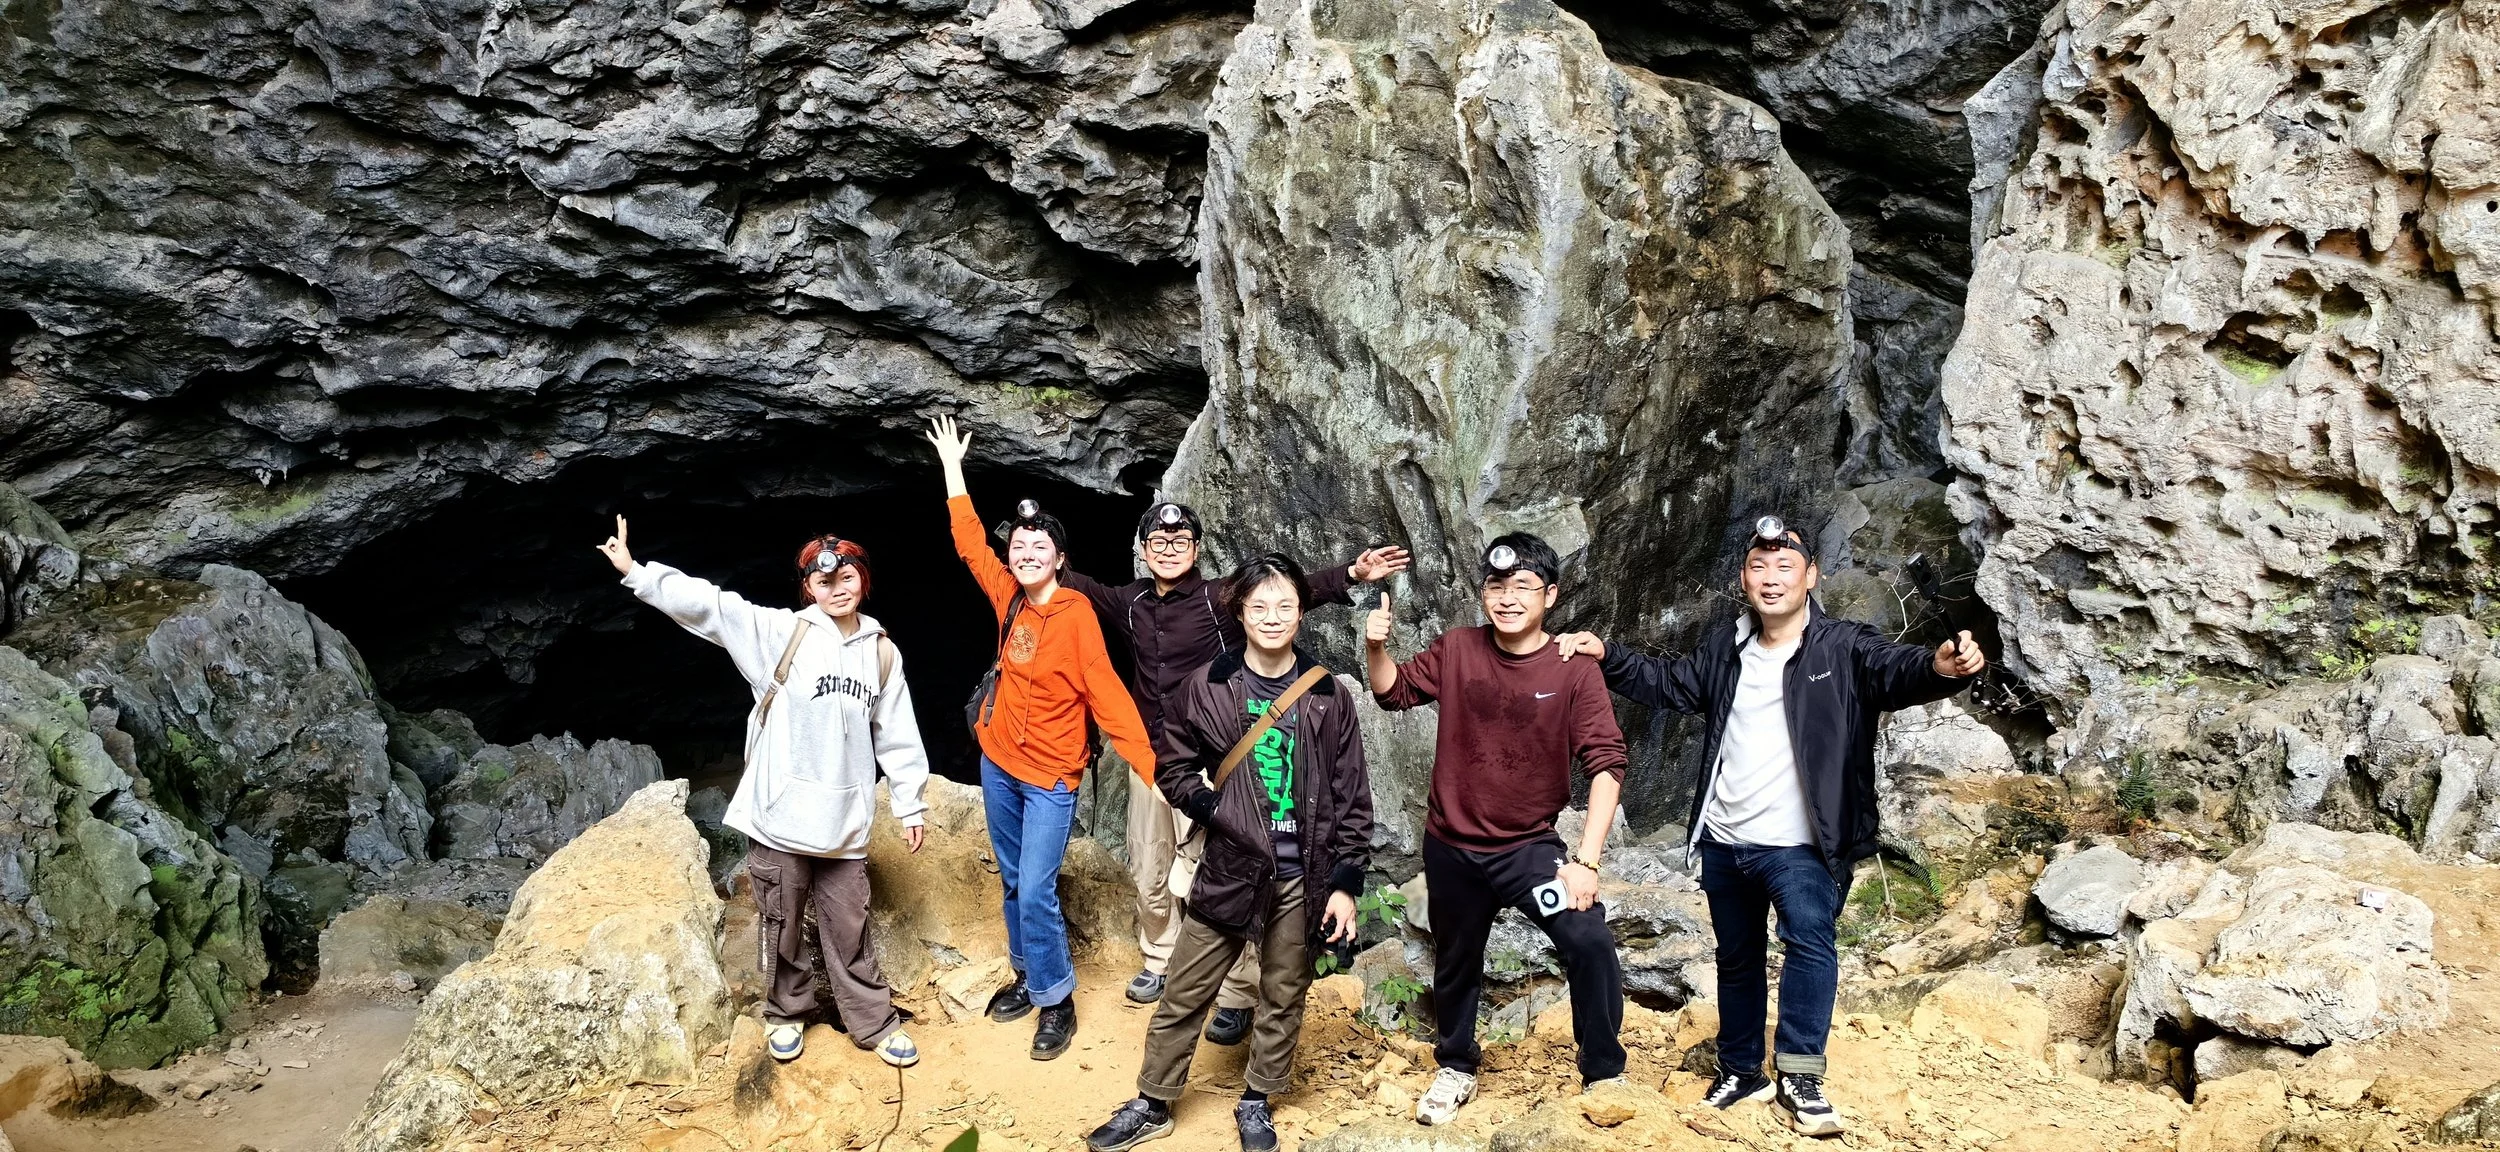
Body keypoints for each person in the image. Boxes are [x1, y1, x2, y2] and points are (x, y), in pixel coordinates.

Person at [1555, 517, 1986, 1138]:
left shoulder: (1843, 647)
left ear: (1812, 577)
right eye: (1759, 566)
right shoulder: (1726, 649)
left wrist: (1942, 667)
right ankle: (1740, 1071)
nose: (1771, 578)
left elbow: (1898, 670)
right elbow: (1671, 683)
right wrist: (1608, 655)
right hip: (1727, 837)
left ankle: (1801, 1076)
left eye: (1786, 566)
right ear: (1743, 579)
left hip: (1804, 845)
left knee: (1810, 943)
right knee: (1737, 958)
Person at [1060, 500, 1407, 1044]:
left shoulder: (1219, 598)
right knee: (1150, 866)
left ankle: (1237, 993)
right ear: (1144, 550)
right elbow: (1073, 583)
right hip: (1152, 759)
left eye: (1180, 541)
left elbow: (1288, 595)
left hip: (1213, 767)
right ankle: (1160, 957)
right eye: (1158, 542)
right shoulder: (1129, 602)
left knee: (1232, 874)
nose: (1169, 550)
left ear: (1196, 549)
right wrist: (1030, 545)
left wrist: (1352, 574)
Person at [596, 515, 929, 1068]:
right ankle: (786, 1012)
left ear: (864, 580)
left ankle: (873, 1022)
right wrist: (637, 572)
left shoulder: (881, 654)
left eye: (847, 578)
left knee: (849, 925)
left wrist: (909, 801)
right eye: (824, 581)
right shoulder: (781, 633)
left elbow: (897, 732)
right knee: (781, 922)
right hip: (780, 816)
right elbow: (711, 606)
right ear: (809, 588)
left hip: (844, 824)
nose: (837, 589)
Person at [1084, 554, 1376, 1152]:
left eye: (1285, 605)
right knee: (1185, 990)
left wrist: (1345, 883)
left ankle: (1257, 1099)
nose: (1272, 617)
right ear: (1239, 611)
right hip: (1232, 866)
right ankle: (1153, 1101)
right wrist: (1216, 811)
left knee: (1283, 991)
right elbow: (1173, 765)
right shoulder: (1208, 684)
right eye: (1259, 605)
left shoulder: (1327, 694)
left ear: (1301, 612)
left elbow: (1352, 795)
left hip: (1303, 874)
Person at [1366, 533, 1630, 1126]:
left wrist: (1586, 861)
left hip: (1528, 850)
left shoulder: (1573, 667)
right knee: (1457, 958)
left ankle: (1604, 1073)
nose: (1507, 598)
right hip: (1452, 847)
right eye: (1496, 586)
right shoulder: (1458, 648)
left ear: (1550, 595)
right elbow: (1393, 692)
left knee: (1587, 938)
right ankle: (1456, 1065)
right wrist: (1376, 648)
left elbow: (1607, 763)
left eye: (1523, 587)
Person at [924, 413, 1160, 1060]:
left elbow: (1108, 697)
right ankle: (1027, 974)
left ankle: (1057, 999)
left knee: (1035, 886)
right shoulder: (1009, 597)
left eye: (1039, 547)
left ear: (1060, 558)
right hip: (999, 760)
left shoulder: (1076, 616)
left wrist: (1151, 769)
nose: (1026, 554)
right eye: (1020, 546)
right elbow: (970, 542)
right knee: (1011, 878)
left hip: (1052, 774)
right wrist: (953, 469)